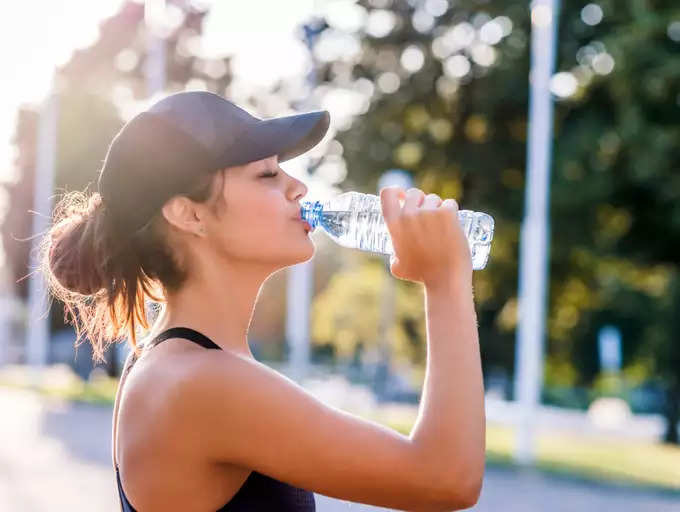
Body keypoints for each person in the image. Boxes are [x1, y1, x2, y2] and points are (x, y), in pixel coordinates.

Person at [40, 91, 485, 511]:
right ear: (189, 213)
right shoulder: (200, 383)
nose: (299, 189)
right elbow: (445, 478)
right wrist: (445, 280)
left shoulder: (181, 365)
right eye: (269, 174)